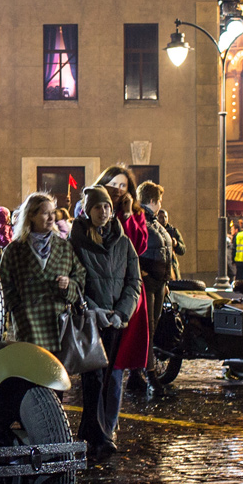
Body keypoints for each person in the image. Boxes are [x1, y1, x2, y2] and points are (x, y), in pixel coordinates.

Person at [70, 186, 142, 463]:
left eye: (107, 207)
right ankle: (99, 437)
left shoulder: (123, 243)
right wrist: (92, 309)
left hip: (115, 320)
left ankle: (90, 434)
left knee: (107, 376)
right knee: (93, 377)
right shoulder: (76, 240)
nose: (103, 211)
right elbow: (75, 279)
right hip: (90, 318)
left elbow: (133, 282)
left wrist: (122, 312)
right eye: (98, 207)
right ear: (88, 211)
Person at [0, 192, 85, 354]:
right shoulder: (15, 249)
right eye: (45, 213)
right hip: (29, 324)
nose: (51, 218)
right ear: (31, 215)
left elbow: (80, 277)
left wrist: (68, 285)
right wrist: (18, 308)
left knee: (57, 374)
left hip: (58, 322)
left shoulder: (64, 246)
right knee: (33, 372)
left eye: (53, 213)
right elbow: (3, 284)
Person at [94, 165, 152, 394]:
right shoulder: (95, 210)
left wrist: (128, 216)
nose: (118, 190)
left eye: (123, 186)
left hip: (127, 287)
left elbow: (138, 245)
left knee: (119, 357)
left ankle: (111, 418)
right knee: (100, 354)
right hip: (100, 286)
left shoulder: (136, 213)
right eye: (114, 184)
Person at [137, 181, 175, 397]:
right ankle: (150, 376)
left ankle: (136, 375)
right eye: (159, 200)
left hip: (158, 282)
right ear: (153, 200)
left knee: (151, 328)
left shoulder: (153, 222)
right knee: (148, 330)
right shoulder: (140, 220)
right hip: (148, 283)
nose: (161, 204)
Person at [157, 209, 187, 281]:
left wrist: (176, 244)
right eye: (161, 217)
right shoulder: (155, 230)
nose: (164, 219)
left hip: (172, 267)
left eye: (165, 217)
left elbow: (183, 250)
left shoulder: (173, 231)